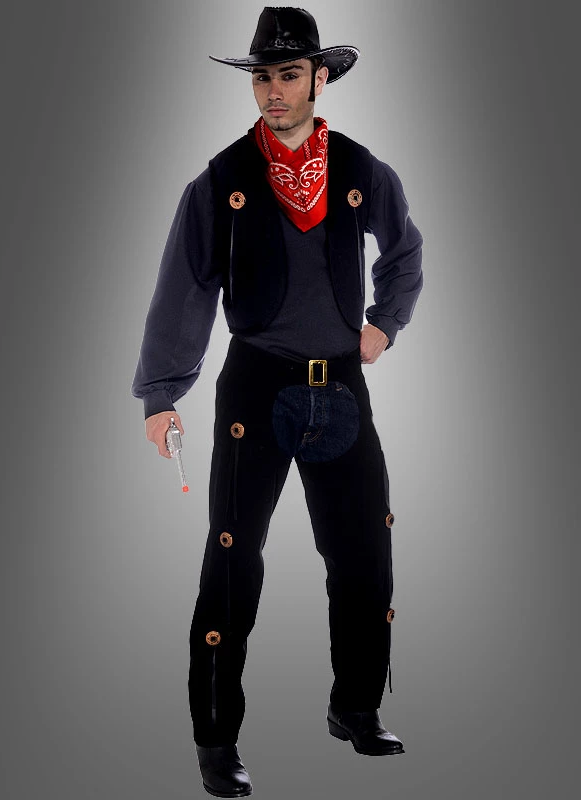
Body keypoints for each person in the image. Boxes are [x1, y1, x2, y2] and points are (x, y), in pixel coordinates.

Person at [131, 7, 423, 797]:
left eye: (288, 75)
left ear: (318, 79)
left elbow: (404, 249)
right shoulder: (221, 179)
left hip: (343, 387)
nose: (272, 91)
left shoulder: (360, 168)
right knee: (233, 558)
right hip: (255, 388)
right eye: (262, 76)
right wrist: (161, 394)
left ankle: (355, 707)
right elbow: (184, 287)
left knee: (363, 550)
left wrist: (384, 325)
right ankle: (215, 738)